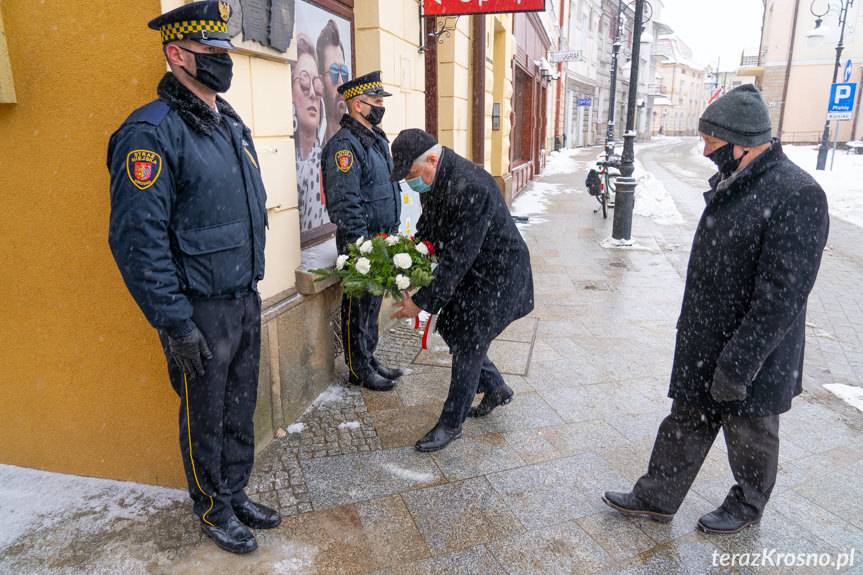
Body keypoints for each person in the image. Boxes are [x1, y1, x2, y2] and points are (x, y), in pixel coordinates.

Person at [602, 84, 830, 534]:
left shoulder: (797, 193)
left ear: (742, 143)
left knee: (751, 431)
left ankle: (748, 504)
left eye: (712, 142)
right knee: (687, 417)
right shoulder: (740, 178)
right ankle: (657, 496)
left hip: (753, 350)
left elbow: (782, 296)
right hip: (708, 336)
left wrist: (739, 363)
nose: (705, 150)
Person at [107, 1, 279, 555]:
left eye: (224, 50)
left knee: (238, 406)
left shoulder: (229, 123)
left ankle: (234, 491)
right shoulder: (150, 134)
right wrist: (175, 323)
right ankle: (212, 507)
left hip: (242, 296)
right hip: (199, 308)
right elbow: (138, 242)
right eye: (210, 53)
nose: (222, 62)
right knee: (203, 414)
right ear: (176, 54)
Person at [390, 130, 534, 452]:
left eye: (411, 176)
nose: (411, 184)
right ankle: (495, 388)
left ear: (431, 159)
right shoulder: (436, 178)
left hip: (501, 276)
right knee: (454, 328)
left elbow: (458, 258)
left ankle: (450, 424)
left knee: (469, 342)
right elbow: (431, 226)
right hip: (477, 273)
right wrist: (408, 255)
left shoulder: (473, 186)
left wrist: (422, 302)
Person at [322, 71, 403, 391]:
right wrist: (361, 247)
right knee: (358, 307)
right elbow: (345, 202)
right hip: (363, 244)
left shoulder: (375, 137)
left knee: (372, 306)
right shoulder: (345, 146)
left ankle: (369, 357)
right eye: (377, 101)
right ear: (357, 105)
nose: (381, 106)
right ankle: (358, 368)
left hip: (382, 239)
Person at [292, 33, 329, 232]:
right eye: (304, 83)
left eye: (316, 83)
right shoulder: (287, 161)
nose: (312, 94)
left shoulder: (325, 159)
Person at [317, 19, 350, 143]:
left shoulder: (358, 144)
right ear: (321, 82)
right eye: (334, 72)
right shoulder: (319, 149)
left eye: (344, 72)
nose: (342, 82)